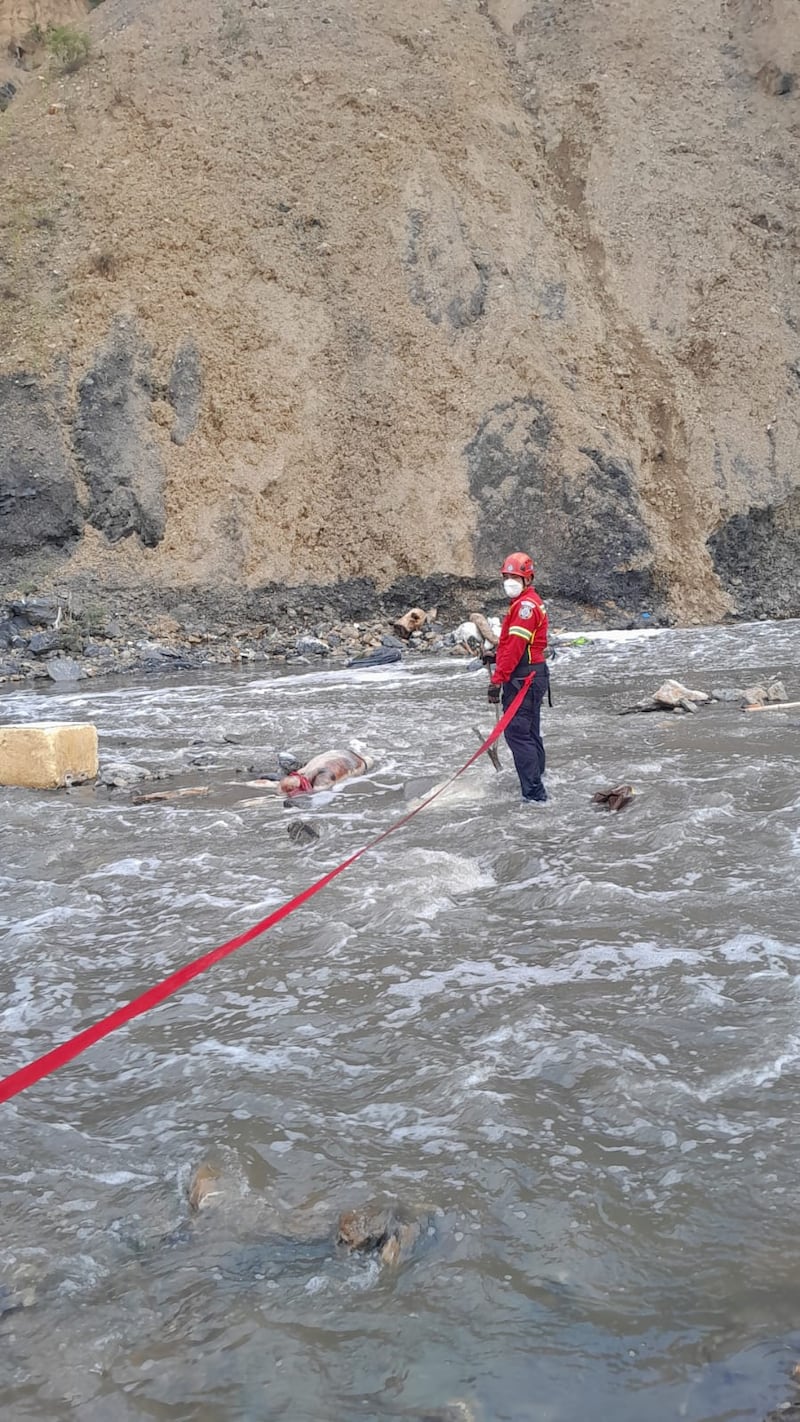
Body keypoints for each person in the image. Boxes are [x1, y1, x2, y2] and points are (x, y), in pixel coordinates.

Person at [485, 552, 549, 804]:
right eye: (507, 576)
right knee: (530, 730)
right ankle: (540, 778)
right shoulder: (527, 602)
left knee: (517, 734)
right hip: (531, 675)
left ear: (528, 579)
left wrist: (497, 680)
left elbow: (515, 648)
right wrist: (495, 655)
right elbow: (511, 644)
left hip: (523, 679)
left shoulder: (524, 607)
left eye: (515, 577)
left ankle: (534, 795)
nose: (509, 581)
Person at [279, 747, 373, 799]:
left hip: (359, 760)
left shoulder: (322, 781)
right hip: (340, 754)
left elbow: (318, 797)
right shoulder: (306, 774)